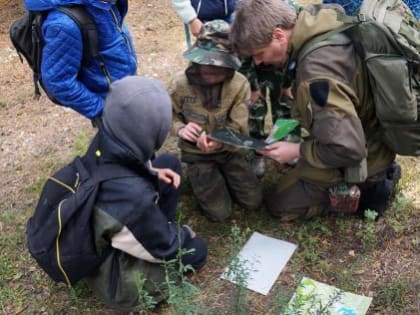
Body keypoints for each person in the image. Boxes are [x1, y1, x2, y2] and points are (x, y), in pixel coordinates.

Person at [230, 0, 401, 221]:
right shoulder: (318, 20)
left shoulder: (315, 72)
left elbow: (348, 149)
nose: (258, 62)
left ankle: (370, 188)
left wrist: (297, 150)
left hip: (364, 152)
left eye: (259, 53)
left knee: (280, 204)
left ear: (279, 35)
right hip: (371, 131)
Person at [85, 76, 207, 310]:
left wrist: (151, 171)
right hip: (115, 275)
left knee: (169, 163)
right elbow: (163, 248)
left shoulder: (105, 138)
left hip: (110, 226)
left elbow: (126, 166)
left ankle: (158, 223)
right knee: (197, 250)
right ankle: (159, 230)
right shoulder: (132, 197)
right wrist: (183, 233)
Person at [169, 20, 263, 221]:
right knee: (219, 214)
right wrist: (180, 129)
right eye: (206, 66)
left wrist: (219, 139)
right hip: (197, 154)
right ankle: (203, 175)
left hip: (229, 151)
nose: (211, 74)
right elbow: (168, 115)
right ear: (197, 60)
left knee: (253, 202)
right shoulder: (179, 84)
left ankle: (227, 175)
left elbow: (239, 124)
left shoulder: (239, 84)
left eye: (219, 68)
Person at [23, 0, 137, 119]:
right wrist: (104, 110)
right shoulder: (63, 24)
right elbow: (58, 82)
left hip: (127, 90)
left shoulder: (105, 4)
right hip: (112, 104)